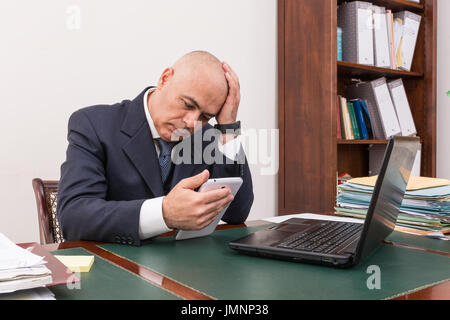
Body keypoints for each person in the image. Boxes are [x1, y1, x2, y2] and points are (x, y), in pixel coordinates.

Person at [57, 51, 254, 245]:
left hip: (185, 271)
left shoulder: (207, 135)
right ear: (165, 78)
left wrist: (228, 127)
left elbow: (237, 213)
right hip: (116, 267)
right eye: (187, 104)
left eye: (204, 117)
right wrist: (164, 213)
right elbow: (74, 217)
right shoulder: (94, 124)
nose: (191, 122)